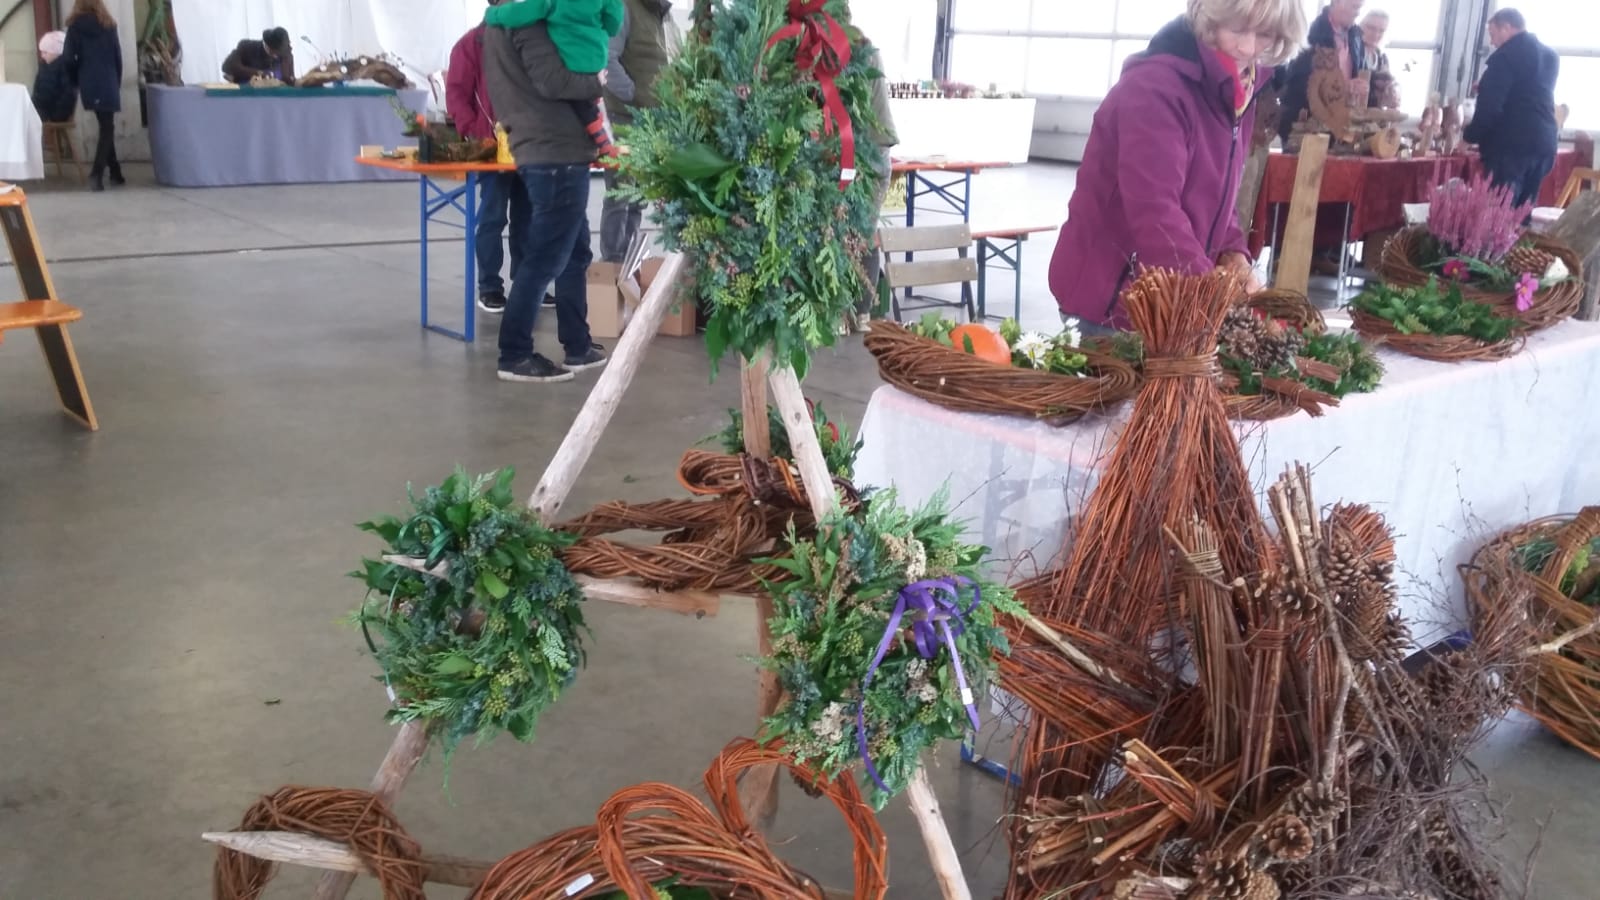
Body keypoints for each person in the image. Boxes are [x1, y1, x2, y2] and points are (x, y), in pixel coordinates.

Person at [1049, 0, 1305, 330]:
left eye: (1265, 34)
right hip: (1114, 296)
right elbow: (1155, 211)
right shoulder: (1155, 88)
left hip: (1175, 292)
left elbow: (1218, 195)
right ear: (1210, 17)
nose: (1248, 47)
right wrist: (1214, 300)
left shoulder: (1240, 84)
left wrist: (1233, 253)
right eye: (1238, 29)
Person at [484, 16, 608, 383]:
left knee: (575, 252)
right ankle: (515, 354)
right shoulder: (524, 21)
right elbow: (554, 81)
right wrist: (596, 81)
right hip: (554, 153)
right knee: (545, 259)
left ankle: (578, 345)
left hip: (550, 150)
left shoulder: (501, 24)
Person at [448, 0, 530, 315]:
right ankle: (490, 287)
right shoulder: (469, 45)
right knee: (493, 217)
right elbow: (456, 96)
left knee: (527, 217)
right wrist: (476, 133)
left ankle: (526, 284)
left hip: (526, 145)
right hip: (490, 150)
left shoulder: (529, 40)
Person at [487, 0, 624, 159]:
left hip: (570, 61)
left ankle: (604, 144)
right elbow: (613, 25)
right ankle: (603, 142)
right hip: (596, 59)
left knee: (581, 106)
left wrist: (492, 14)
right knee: (589, 105)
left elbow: (520, 13)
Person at [599, 0, 674, 265]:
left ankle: (628, 264)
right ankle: (612, 265)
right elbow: (606, 58)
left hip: (652, 120)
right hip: (626, 117)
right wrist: (631, 93)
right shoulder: (625, 7)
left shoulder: (660, 13)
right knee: (621, 193)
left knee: (639, 196)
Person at [1464, 8, 1560, 209]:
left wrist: (1468, 137)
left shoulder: (1505, 57)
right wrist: (1488, 86)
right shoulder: (1550, 56)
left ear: (1506, 28)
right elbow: (1529, 93)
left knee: (1499, 214)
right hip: (1544, 142)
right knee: (1522, 212)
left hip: (1511, 146)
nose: (1492, 42)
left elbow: (1490, 109)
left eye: (1493, 34)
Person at [1277, 0, 1365, 146]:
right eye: (1354, 7)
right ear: (1337, 2)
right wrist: (1342, 87)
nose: (1358, 13)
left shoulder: (1356, 36)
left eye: (1360, 8)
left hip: (1341, 125)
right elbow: (1296, 84)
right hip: (1306, 123)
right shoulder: (1310, 34)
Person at [63, 0, 123, 192]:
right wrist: (117, 81)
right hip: (108, 79)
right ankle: (97, 174)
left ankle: (115, 171)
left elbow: (67, 58)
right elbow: (117, 55)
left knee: (106, 124)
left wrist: (76, 78)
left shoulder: (74, 27)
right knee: (107, 125)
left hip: (88, 80)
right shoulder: (109, 25)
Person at [222, 28, 296, 85]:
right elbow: (227, 67)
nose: (277, 56)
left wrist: (296, 82)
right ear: (268, 46)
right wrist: (259, 73)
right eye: (276, 52)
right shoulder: (247, 47)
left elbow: (289, 80)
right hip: (248, 95)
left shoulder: (287, 56)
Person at [31, 31, 77, 124]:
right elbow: (37, 89)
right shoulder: (44, 66)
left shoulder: (66, 68)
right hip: (40, 111)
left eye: (45, 52)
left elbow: (68, 95)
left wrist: (55, 116)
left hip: (54, 114)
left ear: (57, 53)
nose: (42, 55)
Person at [1360, 10, 1399, 109]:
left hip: (1375, 113)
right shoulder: (1353, 54)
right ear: (1361, 27)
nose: (1376, 34)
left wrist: (1391, 94)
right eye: (1371, 28)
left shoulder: (1382, 59)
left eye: (1381, 30)